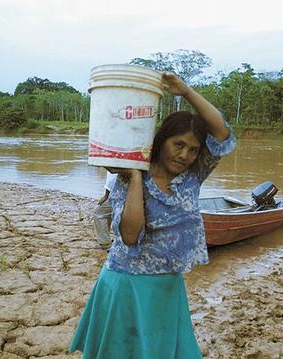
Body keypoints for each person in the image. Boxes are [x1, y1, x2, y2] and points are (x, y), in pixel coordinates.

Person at [69, 72, 236, 358]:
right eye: (178, 144)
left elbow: (222, 134)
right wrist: (135, 178)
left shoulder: (193, 176)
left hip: (167, 286)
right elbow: (130, 236)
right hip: (126, 283)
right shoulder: (127, 178)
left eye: (193, 150)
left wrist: (185, 91)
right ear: (162, 141)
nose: (185, 155)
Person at [92, 171, 117, 249]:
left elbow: (112, 178)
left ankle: (105, 243)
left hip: (117, 192)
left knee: (98, 212)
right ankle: (107, 239)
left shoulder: (112, 160)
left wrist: (106, 195)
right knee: (108, 213)